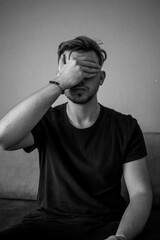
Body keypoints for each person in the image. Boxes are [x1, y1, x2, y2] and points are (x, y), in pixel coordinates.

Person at [0, 36, 152, 240]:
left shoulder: (125, 126)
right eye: (73, 72)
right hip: (46, 224)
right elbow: (4, 138)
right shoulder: (46, 121)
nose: (79, 80)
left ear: (102, 77)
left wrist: (121, 236)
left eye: (87, 71)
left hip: (107, 226)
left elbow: (141, 193)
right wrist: (59, 84)